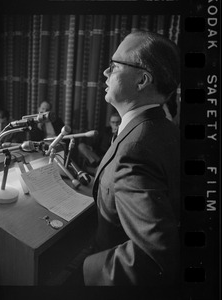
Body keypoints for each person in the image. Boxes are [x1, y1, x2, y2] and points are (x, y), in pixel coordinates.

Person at [83, 30, 180, 287]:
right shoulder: (161, 128)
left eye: (114, 66)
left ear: (142, 80)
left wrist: (85, 271)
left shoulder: (136, 148)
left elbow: (155, 254)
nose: (105, 72)